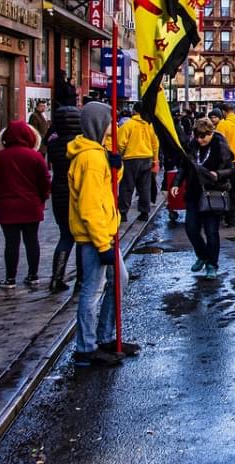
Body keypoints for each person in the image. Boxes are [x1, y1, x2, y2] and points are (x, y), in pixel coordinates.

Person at [67, 102, 136, 366]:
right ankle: (86, 347)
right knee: (92, 291)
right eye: (110, 121)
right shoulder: (90, 158)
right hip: (95, 237)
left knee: (119, 280)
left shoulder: (98, 154)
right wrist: (101, 243)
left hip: (106, 232)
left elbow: (105, 191)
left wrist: (115, 170)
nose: (113, 127)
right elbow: (90, 205)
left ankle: (106, 336)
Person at [0, 121, 50, 289]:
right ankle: (33, 275)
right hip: (31, 206)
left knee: (11, 243)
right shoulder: (35, 157)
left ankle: (10, 278)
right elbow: (44, 183)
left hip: (7, 207)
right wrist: (42, 199)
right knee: (32, 241)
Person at [178, 118, 233, 279]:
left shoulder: (220, 146)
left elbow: (231, 169)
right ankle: (202, 255)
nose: (200, 140)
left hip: (213, 194)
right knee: (191, 228)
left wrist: (218, 174)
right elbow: (184, 166)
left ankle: (212, 264)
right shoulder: (192, 146)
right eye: (197, 136)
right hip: (194, 193)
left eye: (203, 137)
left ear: (210, 133)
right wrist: (175, 184)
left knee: (211, 232)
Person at [46, 106, 82, 292]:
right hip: (77, 193)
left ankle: (56, 277)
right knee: (82, 238)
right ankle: (81, 279)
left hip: (59, 192)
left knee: (65, 236)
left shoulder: (53, 144)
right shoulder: (80, 145)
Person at [117, 102, 160, 222]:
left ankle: (123, 212)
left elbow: (120, 143)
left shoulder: (128, 125)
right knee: (144, 187)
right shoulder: (149, 125)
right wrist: (155, 159)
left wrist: (120, 154)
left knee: (127, 186)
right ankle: (144, 212)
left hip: (131, 159)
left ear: (134, 111)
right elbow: (155, 144)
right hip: (147, 158)